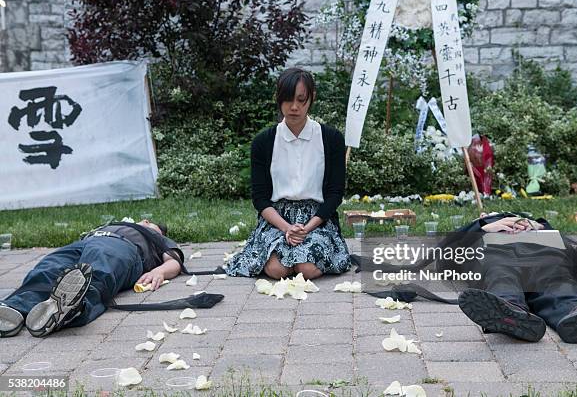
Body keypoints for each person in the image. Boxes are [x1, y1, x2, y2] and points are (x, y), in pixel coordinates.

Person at [224, 67, 352, 280]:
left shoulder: (331, 139)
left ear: (312, 98)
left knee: (307, 269)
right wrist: (287, 228)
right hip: (277, 219)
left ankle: (313, 255)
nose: (294, 107)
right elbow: (260, 198)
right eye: (288, 100)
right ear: (278, 98)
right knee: (277, 270)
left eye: (301, 100)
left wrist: (305, 228)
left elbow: (335, 194)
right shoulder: (263, 142)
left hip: (317, 219)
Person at [0, 220, 183, 338]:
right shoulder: (110, 224)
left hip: (122, 247)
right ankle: (14, 308)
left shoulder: (157, 238)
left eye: (151, 224)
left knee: (98, 270)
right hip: (85, 243)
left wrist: (159, 271)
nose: (145, 222)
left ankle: (74, 309)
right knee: (49, 267)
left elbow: (174, 261)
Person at [456, 212, 577, 343]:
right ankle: (509, 309)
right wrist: (482, 227)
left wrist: (539, 227)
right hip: (500, 255)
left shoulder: (538, 224)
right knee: (501, 275)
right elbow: (445, 256)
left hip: (542, 255)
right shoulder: (478, 227)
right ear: (482, 216)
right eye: (491, 214)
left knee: (556, 277)